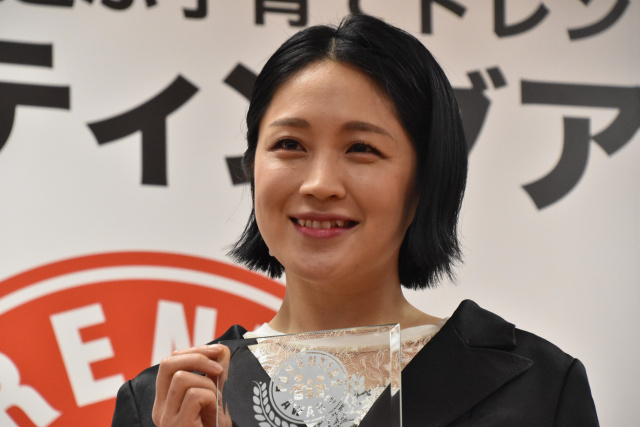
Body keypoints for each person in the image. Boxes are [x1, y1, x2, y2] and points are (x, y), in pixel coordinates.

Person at [111, 14, 599, 427]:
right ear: (252, 169)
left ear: (425, 180)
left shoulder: (538, 387)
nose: (320, 184)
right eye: (289, 145)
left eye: (361, 148)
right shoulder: (168, 402)